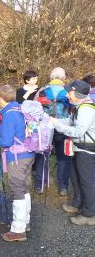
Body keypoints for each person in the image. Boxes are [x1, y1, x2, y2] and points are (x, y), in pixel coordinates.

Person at [50, 80, 95, 225]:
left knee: (86, 182)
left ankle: (89, 214)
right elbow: (69, 121)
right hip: (78, 148)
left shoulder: (86, 109)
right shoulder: (79, 106)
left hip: (86, 150)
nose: (67, 95)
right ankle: (77, 204)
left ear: (77, 93)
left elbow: (77, 131)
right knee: (75, 178)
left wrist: (56, 125)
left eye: (69, 92)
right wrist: (54, 120)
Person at [0, 85, 35, 242]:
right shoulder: (19, 109)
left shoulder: (10, 115)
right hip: (28, 154)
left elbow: (6, 141)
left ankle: (18, 230)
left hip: (17, 157)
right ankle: (25, 222)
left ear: (0, 98)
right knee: (24, 189)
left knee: (17, 190)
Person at [35, 67, 72, 196]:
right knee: (63, 157)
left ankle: (39, 185)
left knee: (42, 155)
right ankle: (63, 186)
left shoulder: (43, 90)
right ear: (63, 79)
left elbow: (35, 107)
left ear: (51, 78)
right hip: (62, 127)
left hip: (45, 127)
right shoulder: (68, 91)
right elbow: (72, 109)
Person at [16, 70, 48, 194]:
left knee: (37, 143)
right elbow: (19, 103)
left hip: (37, 122)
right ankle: (28, 168)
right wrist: (28, 92)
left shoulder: (39, 90)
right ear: (27, 80)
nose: (35, 80)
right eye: (33, 78)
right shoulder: (20, 90)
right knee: (27, 144)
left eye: (36, 78)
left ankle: (37, 176)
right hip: (24, 121)